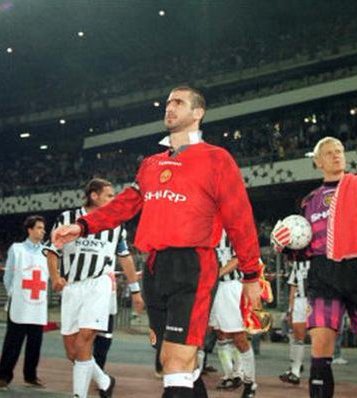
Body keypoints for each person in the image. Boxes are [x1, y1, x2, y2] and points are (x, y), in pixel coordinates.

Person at [51, 86, 263, 398]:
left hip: (194, 265)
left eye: (179, 102)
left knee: (175, 360)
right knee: (174, 363)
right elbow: (126, 204)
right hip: (154, 267)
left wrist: (251, 274)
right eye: (167, 103)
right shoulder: (151, 164)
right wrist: (83, 226)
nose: (169, 107)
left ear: (198, 113)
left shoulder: (217, 159)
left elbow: (240, 219)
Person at [272, 136, 357, 398]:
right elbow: (302, 252)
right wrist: (283, 244)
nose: (336, 155)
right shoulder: (309, 202)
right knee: (319, 350)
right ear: (318, 162)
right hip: (323, 275)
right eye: (329, 153)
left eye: (340, 151)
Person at [45, 178, 139, 398]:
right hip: (71, 287)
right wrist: (55, 277)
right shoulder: (67, 218)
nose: (113, 200)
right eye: (109, 195)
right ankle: (104, 381)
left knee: (85, 338)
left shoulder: (115, 224)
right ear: (94, 196)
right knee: (73, 352)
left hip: (98, 284)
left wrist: (135, 290)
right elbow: (52, 251)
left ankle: (79, 395)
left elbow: (125, 258)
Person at [0, 215, 48, 391]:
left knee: (35, 343)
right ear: (30, 229)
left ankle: (30, 376)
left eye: (43, 228)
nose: (43, 231)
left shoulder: (47, 252)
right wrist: (15, 294)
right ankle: (3, 376)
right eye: (39, 227)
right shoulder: (16, 249)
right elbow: (8, 276)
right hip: (19, 303)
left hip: (38, 304)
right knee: (13, 342)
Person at [93, 228, 145, 371]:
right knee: (84, 342)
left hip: (108, 301)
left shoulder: (116, 234)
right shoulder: (87, 233)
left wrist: (130, 276)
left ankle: (99, 375)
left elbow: (111, 269)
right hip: (91, 299)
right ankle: (98, 377)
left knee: (105, 340)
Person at [209, 230, 254, 392]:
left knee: (238, 335)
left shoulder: (231, 231)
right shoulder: (203, 228)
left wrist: (217, 274)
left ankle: (245, 378)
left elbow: (238, 258)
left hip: (230, 287)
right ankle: (230, 375)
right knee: (220, 333)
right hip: (211, 288)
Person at [279, 253, 310, 385]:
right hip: (299, 301)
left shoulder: (317, 261)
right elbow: (293, 286)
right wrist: (290, 309)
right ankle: (295, 370)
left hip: (314, 299)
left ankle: (297, 367)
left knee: (308, 336)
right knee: (297, 335)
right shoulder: (296, 265)